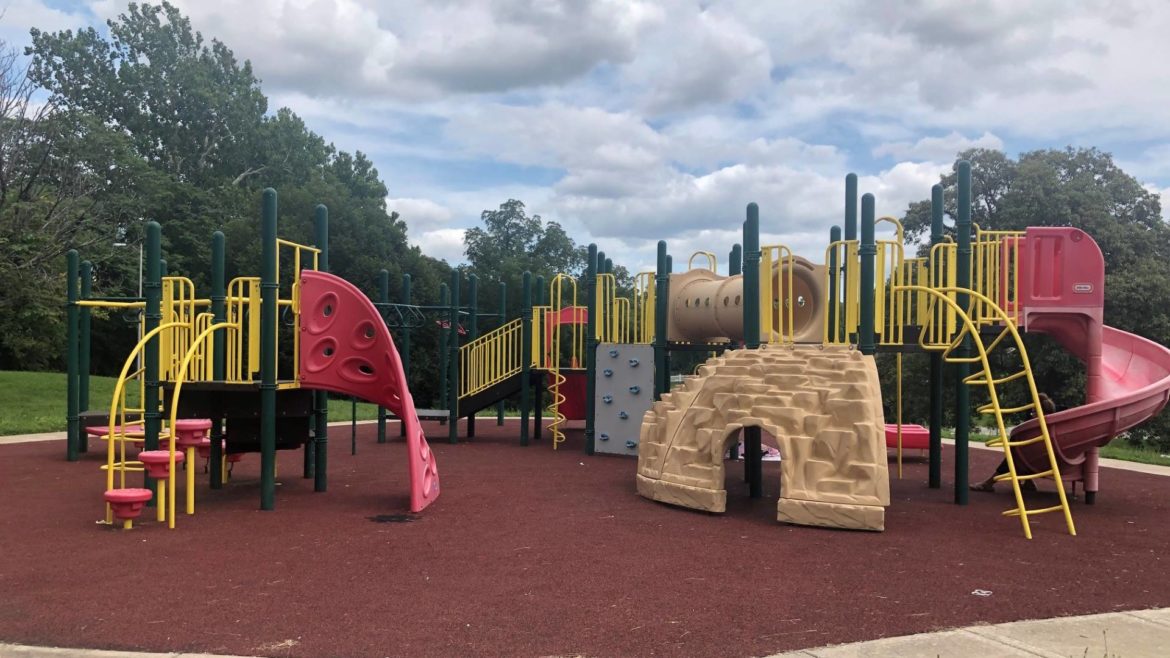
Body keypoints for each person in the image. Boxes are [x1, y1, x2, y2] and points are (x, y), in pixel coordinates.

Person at [970, 392, 1057, 493]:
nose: (1032, 415)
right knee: (1020, 453)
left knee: (1014, 454)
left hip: (1040, 461)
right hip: (1056, 460)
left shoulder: (1037, 427)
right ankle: (1028, 482)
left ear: (1041, 412)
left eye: (1033, 412)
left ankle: (989, 483)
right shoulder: (1054, 426)